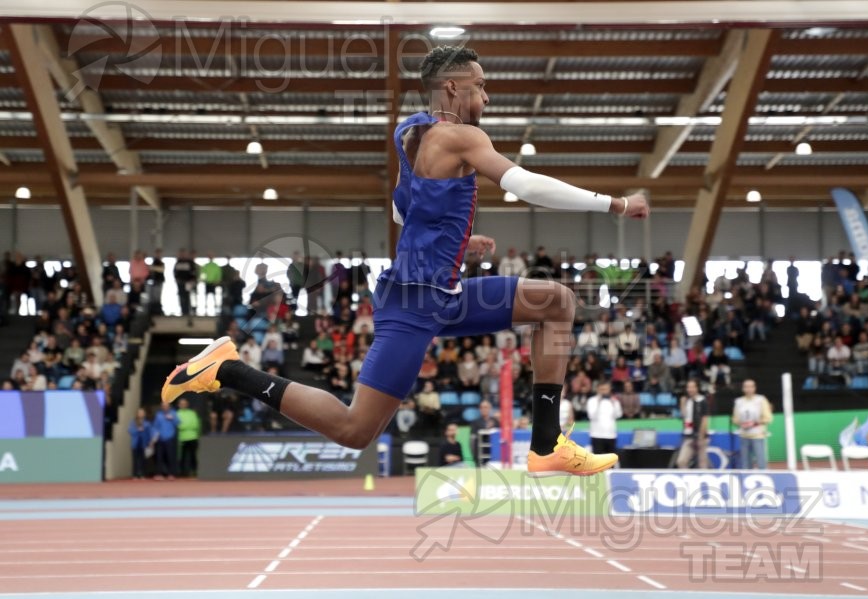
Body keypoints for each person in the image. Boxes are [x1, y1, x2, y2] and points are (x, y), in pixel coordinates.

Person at [161, 45, 648, 477]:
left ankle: (546, 445)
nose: (487, 98)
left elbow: (402, 208)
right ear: (453, 88)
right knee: (355, 430)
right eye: (481, 87)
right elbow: (524, 186)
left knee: (555, 302)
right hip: (415, 303)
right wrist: (615, 204)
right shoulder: (462, 138)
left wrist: (459, 236)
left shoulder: (409, 133)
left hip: (443, 293)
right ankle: (226, 370)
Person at [732, 379, 772, 470]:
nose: (749, 389)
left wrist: (754, 423)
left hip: (758, 436)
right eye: (746, 386)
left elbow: (768, 418)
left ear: (754, 388)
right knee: (745, 464)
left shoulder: (761, 399)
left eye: (751, 386)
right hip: (743, 436)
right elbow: (735, 419)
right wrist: (740, 423)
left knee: (761, 462)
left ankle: (764, 479)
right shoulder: (738, 401)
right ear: (743, 388)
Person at [676, 380, 710, 469]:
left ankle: (704, 481)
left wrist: (701, 436)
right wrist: (682, 404)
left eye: (692, 387)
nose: (690, 389)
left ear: (697, 388)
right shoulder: (687, 401)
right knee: (681, 461)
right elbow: (684, 416)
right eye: (688, 387)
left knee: (702, 463)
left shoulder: (702, 401)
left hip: (700, 437)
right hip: (689, 436)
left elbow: (705, 419)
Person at [586, 381, 622, 455]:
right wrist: (598, 403)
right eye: (602, 389)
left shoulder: (615, 401)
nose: (604, 391)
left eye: (606, 389)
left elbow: (618, 415)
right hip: (596, 435)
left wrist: (613, 404)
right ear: (598, 390)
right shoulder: (592, 401)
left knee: (611, 461)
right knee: (597, 461)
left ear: (609, 389)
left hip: (611, 435)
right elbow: (591, 416)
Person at [152, 402, 180, 480]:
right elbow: (155, 427)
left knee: (170, 457)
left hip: (170, 438)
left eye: (166, 406)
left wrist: (172, 419)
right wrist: (154, 437)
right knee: (159, 457)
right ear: (161, 407)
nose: (165, 407)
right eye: (163, 406)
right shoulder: (158, 415)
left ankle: (171, 474)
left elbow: (178, 423)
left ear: (169, 406)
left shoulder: (173, 413)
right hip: (160, 438)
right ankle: (159, 474)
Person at [469, 400, 500, 465]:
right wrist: (474, 456)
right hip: (480, 455)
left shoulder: (495, 421)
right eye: (481, 407)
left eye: (486, 407)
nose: (483, 409)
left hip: (493, 455)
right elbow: (472, 440)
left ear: (490, 408)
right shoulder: (475, 422)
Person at [176, 398, 201, 477]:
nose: (183, 405)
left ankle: (194, 471)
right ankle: (182, 472)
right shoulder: (176, 413)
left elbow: (195, 424)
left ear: (187, 404)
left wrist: (184, 426)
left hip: (193, 437)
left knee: (193, 456)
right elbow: (178, 425)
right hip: (182, 438)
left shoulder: (192, 413)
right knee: (182, 457)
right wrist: (186, 426)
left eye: (184, 403)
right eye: (181, 404)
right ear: (179, 405)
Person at [128, 408, 154, 479]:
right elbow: (130, 431)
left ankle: (143, 474)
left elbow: (150, 433)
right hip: (135, 444)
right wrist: (137, 430)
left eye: (142, 413)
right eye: (139, 412)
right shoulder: (133, 422)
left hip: (143, 444)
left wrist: (151, 441)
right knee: (135, 460)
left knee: (143, 460)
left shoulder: (147, 423)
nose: (141, 414)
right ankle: (135, 475)